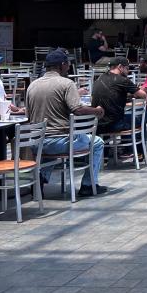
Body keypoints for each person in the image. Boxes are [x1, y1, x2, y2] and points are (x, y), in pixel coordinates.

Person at [26, 49, 107, 197]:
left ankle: (41, 180)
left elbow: (28, 114)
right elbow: (77, 109)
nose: (69, 67)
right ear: (62, 65)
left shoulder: (32, 85)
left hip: (37, 143)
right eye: (68, 64)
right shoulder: (67, 83)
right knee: (98, 142)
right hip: (60, 143)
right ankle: (88, 185)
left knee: (49, 140)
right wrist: (97, 111)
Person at [91, 57, 147, 134]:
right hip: (114, 124)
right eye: (127, 68)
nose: (128, 72)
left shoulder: (99, 78)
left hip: (97, 124)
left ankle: (108, 145)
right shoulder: (123, 80)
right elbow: (143, 95)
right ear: (120, 67)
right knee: (141, 119)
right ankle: (133, 146)